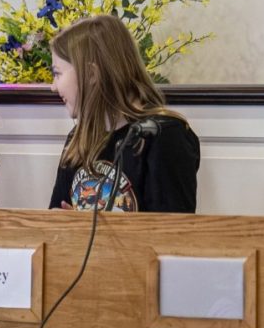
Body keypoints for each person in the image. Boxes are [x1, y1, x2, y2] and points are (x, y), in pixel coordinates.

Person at [47, 14, 200, 213]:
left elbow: (171, 234)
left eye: (57, 73)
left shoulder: (164, 136)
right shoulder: (79, 139)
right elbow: (55, 218)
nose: (52, 87)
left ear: (92, 74)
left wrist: (86, 229)